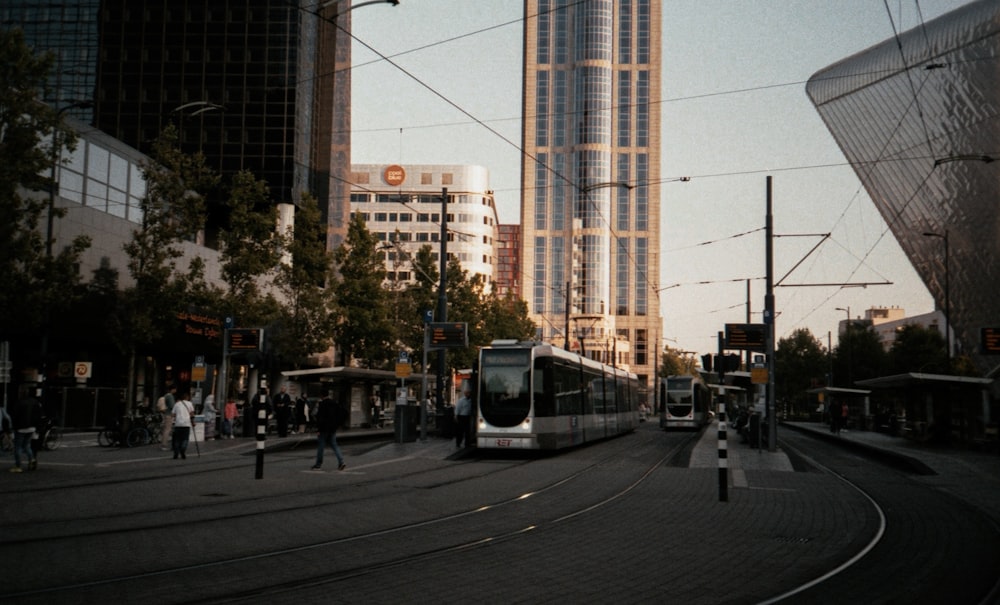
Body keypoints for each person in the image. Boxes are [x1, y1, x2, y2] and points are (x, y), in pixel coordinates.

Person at [9, 389, 42, 472]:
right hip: (32, 427)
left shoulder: (19, 403)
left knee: (18, 447)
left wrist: (13, 427)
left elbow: (14, 415)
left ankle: (18, 466)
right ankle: (32, 459)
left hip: (20, 427)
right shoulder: (35, 402)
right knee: (27, 445)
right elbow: (39, 415)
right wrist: (37, 427)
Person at [312, 392, 346, 471]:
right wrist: (337, 424)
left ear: (321, 396)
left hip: (324, 429)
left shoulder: (322, 404)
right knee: (334, 445)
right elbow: (343, 413)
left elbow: (320, 418)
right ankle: (341, 462)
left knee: (321, 446)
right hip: (332, 428)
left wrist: (318, 429)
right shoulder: (334, 403)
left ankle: (318, 464)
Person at [171, 391, 195, 460]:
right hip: (186, 424)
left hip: (178, 424)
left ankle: (176, 452)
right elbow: (192, 414)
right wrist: (193, 422)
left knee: (177, 439)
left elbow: (173, 414)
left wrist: (177, 416)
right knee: (185, 438)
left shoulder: (177, 404)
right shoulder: (190, 403)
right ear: (187, 397)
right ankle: (183, 449)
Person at [454, 383, 472, 448]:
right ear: (465, 393)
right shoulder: (461, 400)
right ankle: (458, 443)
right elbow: (457, 408)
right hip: (461, 417)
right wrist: (456, 416)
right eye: (467, 393)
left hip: (468, 417)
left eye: (469, 393)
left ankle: (467, 444)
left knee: (467, 432)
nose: (468, 394)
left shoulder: (471, 400)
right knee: (460, 431)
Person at [159, 385, 177, 450]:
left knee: (167, 429)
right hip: (169, 414)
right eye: (175, 389)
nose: (175, 390)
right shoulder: (170, 396)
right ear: (172, 389)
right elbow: (172, 406)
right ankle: (164, 445)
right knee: (167, 429)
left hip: (166, 414)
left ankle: (165, 443)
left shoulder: (166, 395)